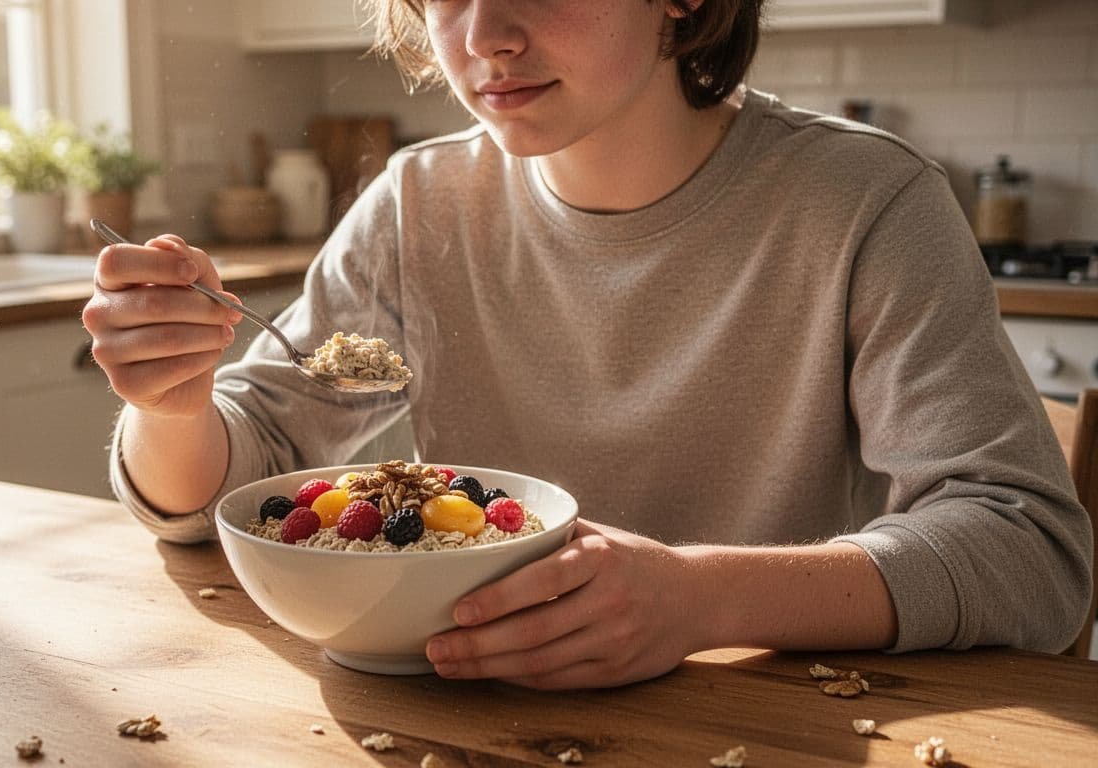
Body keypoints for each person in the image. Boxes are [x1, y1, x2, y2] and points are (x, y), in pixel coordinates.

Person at [81, 0, 1093, 689]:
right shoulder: (418, 208)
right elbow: (245, 463)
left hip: (778, 721)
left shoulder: (863, 205)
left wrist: (699, 598)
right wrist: (170, 408)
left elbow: (1031, 554)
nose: (484, 36)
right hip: (473, 714)